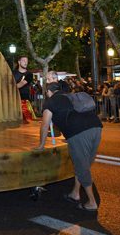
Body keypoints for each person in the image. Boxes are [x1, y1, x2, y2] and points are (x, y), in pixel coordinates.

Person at [36, 81, 102, 211]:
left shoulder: (51, 102)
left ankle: (91, 202)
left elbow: (45, 125)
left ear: (48, 92)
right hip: (96, 126)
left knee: (82, 167)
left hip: (79, 132)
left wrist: (41, 144)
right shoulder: (69, 95)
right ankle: (75, 193)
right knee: (83, 163)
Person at [13, 56, 33, 122]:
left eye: (26, 61)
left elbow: (21, 84)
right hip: (13, 100)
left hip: (24, 101)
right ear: (19, 62)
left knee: (28, 121)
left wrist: (11, 88)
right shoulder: (13, 73)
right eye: (24, 61)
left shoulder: (29, 74)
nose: (26, 62)